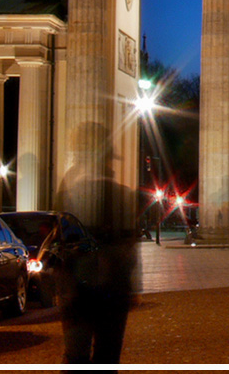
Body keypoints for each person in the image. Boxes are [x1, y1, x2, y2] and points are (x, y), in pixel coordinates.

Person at [55, 121, 138, 365]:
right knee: (107, 357)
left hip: (76, 290)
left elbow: (59, 244)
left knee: (75, 359)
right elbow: (129, 246)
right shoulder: (123, 195)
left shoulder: (66, 192)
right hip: (113, 288)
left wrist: (62, 286)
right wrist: (131, 286)